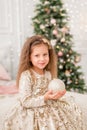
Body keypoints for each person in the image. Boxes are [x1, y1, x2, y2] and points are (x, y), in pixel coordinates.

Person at [3, 35, 83, 130]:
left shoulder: (48, 74)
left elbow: (49, 91)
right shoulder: (27, 75)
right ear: (29, 57)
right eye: (37, 55)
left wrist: (55, 96)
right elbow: (25, 101)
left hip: (48, 103)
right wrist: (44, 98)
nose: (42, 59)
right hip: (33, 107)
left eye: (45, 54)